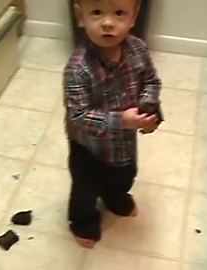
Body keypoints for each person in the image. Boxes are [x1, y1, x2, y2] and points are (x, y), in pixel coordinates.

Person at [63, 0, 162, 249]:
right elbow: (78, 116)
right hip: (89, 148)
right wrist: (123, 120)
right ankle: (82, 222)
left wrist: (148, 108)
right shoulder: (77, 69)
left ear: (134, 16)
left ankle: (115, 197)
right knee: (85, 191)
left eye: (119, 13)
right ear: (80, 16)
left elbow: (151, 81)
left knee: (125, 175)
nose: (108, 23)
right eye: (96, 13)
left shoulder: (138, 50)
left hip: (124, 143)